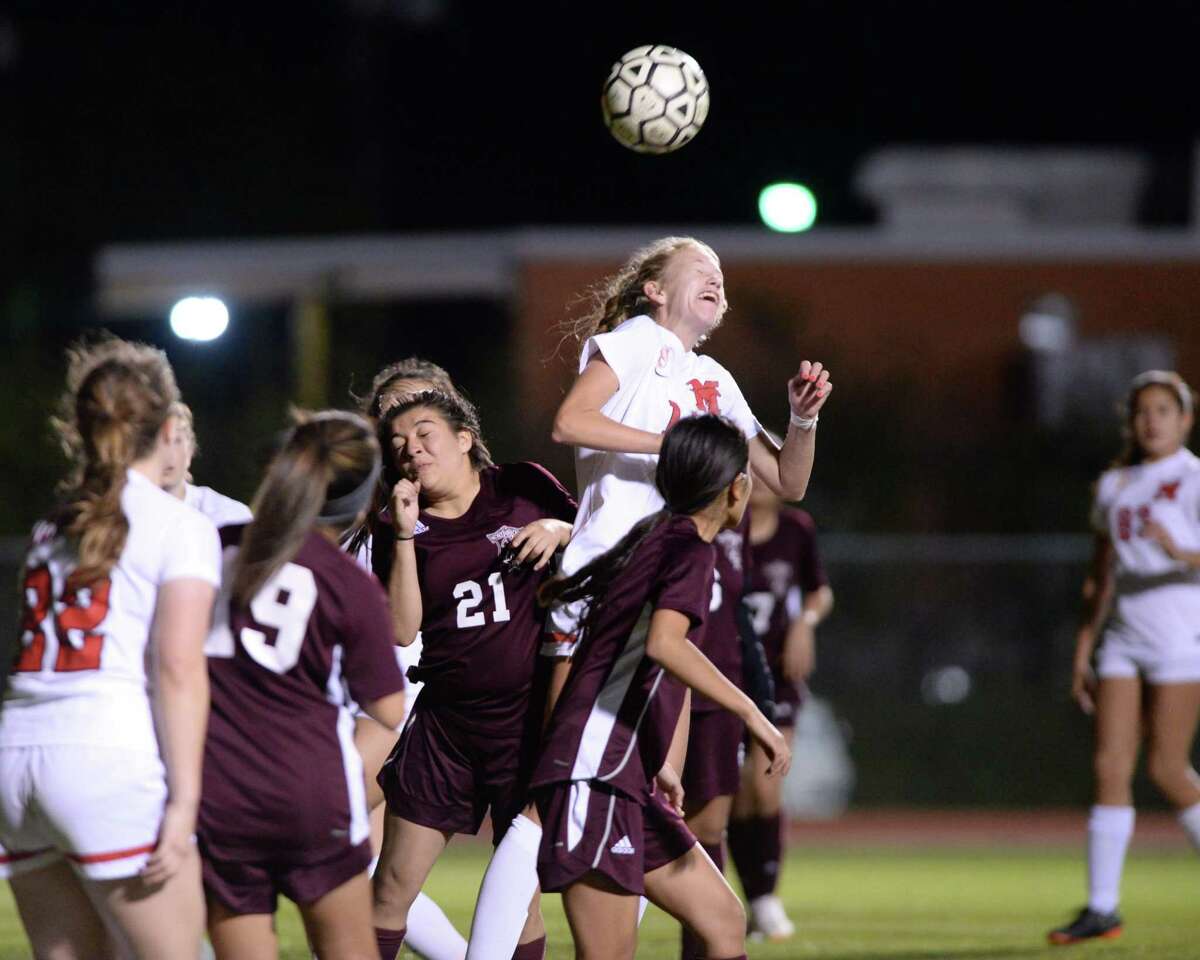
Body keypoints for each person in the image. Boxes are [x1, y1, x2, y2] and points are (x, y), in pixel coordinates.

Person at [532, 415, 791, 960]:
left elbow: (621, 659)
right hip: (593, 775)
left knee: (723, 922)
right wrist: (753, 714)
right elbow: (664, 646)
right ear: (736, 487)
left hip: (622, 774)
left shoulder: (659, 538)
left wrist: (657, 760)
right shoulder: (690, 550)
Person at [0, 337, 220, 958]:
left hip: (16, 759)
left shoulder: (55, 522)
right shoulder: (179, 523)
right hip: (103, 757)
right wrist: (185, 802)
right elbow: (178, 669)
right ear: (170, 424)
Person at [547, 235, 832, 656]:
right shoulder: (638, 337)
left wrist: (803, 420)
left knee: (664, 718)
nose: (715, 281)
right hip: (607, 562)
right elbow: (569, 422)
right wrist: (673, 445)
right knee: (576, 718)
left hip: (676, 568)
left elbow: (787, 483)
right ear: (655, 290)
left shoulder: (713, 376)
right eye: (700, 271)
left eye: (719, 278)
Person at [371, 389, 576, 960]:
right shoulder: (398, 521)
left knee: (523, 900)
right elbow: (402, 629)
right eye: (399, 445)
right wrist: (407, 533)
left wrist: (560, 531)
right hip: (446, 726)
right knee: (391, 886)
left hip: (525, 722)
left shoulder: (522, 487)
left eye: (424, 433)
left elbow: (603, 541)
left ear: (464, 437)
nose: (412, 450)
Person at [199, 410, 408, 959]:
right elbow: (389, 706)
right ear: (363, 503)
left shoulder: (212, 545)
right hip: (309, 787)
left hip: (219, 788)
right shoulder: (347, 580)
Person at [1048, 370, 1200, 945]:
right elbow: (1100, 576)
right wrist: (1084, 648)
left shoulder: (1193, 478)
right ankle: (1102, 908)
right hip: (1125, 637)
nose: (1153, 419)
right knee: (1110, 768)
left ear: (1185, 419)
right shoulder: (1114, 484)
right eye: (1144, 410)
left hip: (1181, 635)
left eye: (1165, 409)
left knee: (1166, 768)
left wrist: (1182, 551)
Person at [346, 357, 480, 960]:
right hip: (349, 697)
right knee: (373, 872)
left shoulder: (470, 501)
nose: (410, 433)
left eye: (425, 408)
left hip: (408, 702)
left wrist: (559, 527)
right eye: (393, 420)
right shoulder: (366, 512)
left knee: (317, 821)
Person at [729, 480, 833, 941]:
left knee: (767, 784)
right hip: (725, 672)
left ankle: (766, 899)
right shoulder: (723, 527)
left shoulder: (796, 530)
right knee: (730, 794)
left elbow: (819, 591)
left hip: (777, 675)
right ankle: (751, 901)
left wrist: (805, 625)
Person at [677, 511, 752, 960]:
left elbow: (740, 619)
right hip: (664, 690)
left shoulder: (732, 533)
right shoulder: (665, 524)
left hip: (719, 695)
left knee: (709, 830)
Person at [161, 401, 253, 527]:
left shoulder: (229, 516)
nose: (168, 454)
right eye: (159, 443)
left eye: (177, 441)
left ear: (190, 449)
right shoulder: (128, 516)